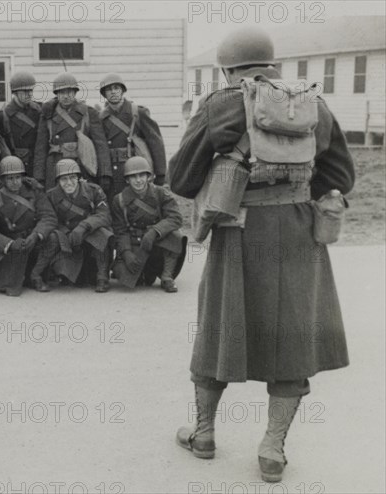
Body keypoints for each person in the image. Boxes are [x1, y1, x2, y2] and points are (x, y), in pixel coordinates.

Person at [169, 27, 355, 482]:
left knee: (219, 328)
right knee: (293, 337)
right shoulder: (315, 104)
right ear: (272, 64)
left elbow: (181, 180)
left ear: (227, 68)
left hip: (238, 229)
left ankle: (205, 433)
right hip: (296, 236)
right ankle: (272, 450)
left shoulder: (219, 105)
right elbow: (341, 178)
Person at [0, 156, 57, 296]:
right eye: (10, 178)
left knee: (53, 237)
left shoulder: (35, 192)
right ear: (3, 180)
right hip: (12, 246)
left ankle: (35, 274)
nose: (15, 182)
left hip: (33, 242)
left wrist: (36, 235)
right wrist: (8, 244)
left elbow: (48, 216)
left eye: (18, 177)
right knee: (7, 285)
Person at [31, 159, 114, 293]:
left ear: (79, 178)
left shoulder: (94, 190)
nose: (69, 183)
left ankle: (102, 276)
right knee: (52, 237)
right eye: (64, 179)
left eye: (72, 178)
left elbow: (104, 215)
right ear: (58, 180)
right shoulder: (51, 195)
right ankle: (36, 274)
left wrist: (84, 226)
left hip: (88, 234)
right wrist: (66, 232)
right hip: (67, 237)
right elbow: (49, 219)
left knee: (103, 233)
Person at [111, 157, 186, 293]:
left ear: (148, 177)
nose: (138, 180)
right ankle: (144, 272)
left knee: (175, 236)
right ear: (127, 180)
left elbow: (176, 218)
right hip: (135, 241)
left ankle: (166, 276)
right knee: (128, 277)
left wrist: (155, 231)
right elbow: (120, 231)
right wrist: (126, 253)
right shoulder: (119, 200)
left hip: (157, 241)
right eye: (133, 177)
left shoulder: (161, 193)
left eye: (142, 175)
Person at [33, 72, 112, 192]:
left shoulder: (88, 113)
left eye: (69, 92)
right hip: (55, 166)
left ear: (75, 93)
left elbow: (100, 145)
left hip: (81, 165)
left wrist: (105, 173)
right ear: (57, 94)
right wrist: (39, 177)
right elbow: (40, 147)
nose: (66, 96)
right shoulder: (48, 114)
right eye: (62, 92)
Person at [99, 73, 167, 198]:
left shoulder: (137, 112)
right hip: (114, 173)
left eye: (116, 88)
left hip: (136, 171)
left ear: (122, 90)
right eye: (109, 89)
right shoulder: (101, 118)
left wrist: (160, 173)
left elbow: (155, 142)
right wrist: (105, 174)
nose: (113, 92)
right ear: (104, 94)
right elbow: (101, 148)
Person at [0, 71, 42, 177]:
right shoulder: (4, 114)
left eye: (31, 90)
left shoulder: (37, 110)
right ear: (15, 92)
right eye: (25, 91)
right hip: (16, 165)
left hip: (36, 163)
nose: (29, 94)